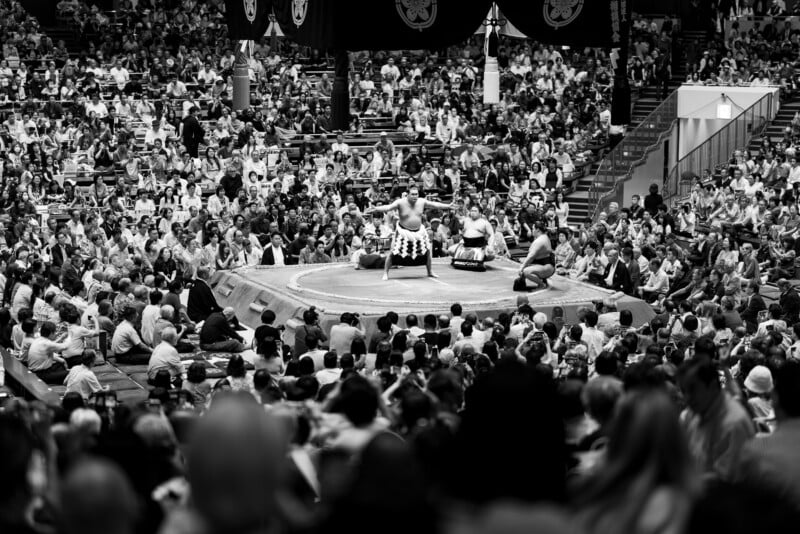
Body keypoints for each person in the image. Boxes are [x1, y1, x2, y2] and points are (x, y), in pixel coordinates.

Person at [678, 356, 755, 482]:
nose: (686, 398)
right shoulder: (692, 413)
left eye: (692, 390)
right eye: (683, 391)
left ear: (712, 386)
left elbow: (724, 481)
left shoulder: (734, 423)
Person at [365, 185, 455, 280]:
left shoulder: (421, 202)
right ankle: (385, 273)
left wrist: (447, 206)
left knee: (427, 251)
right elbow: (389, 207)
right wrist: (377, 209)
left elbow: (434, 204)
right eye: (412, 194)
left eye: (416, 194)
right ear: (407, 194)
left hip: (419, 232)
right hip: (403, 232)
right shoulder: (400, 202)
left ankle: (430, 271)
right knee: (393, 252)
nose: (415, 196)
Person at [450, 205, 495, 271]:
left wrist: (491, 246)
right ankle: (469, 258)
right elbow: (457, 219)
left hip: (479, 245)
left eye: (475, 211)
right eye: (471, 211)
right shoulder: (465, 220)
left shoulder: (485, 223)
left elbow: (492, 234)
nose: (473, 212)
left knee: (491, 255)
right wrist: (454, 212)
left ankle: (479, 258)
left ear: (480, 213)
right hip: (466, 244)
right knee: (450, 250)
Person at [518, 221, 555, 290]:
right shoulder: (543, 237)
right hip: (545, 265)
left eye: (533, 229)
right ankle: (543, 280)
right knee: (523, 264)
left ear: (537, 230)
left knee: (526, 271)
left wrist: (522, 267)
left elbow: (531, 256)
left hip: (547, 267)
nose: (532, 230)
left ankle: (541, 284)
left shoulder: (540, 241)